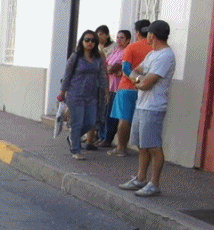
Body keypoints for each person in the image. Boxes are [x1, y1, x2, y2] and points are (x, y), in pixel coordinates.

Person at [118, 20, 176, 197]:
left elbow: (145, 84)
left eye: (148, 33)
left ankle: (154, 183)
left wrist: (137, 80)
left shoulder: (166, 56)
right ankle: (141, 178)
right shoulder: (152, 54)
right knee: (143, 145)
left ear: (153, 35)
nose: (145, 37)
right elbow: (136, 71)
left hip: (153, 107)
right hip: (142, 105)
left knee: (153, 146)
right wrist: (138, 79)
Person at [57, 29, 108, 160]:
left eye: (93, 40)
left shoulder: (98, 58)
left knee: (91, 122)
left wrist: (106, 90)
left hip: (91, 95)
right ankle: (76, 150)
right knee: (77, 123)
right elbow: (67, 75)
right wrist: (62, 92)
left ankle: (73, 137)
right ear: (82, 41)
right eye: (87, 40)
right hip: (75, 94)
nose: (90, 42)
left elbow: (102, 75)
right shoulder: (75, 57)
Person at [107, 19, 152, 157]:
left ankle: (121, 148)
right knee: (140, 119)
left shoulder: (131, 48)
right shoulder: (154, 48)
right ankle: (143, 150)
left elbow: (126, 68)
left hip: (127, 87)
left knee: (124, 119)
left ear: (137, 32)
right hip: (147, 88)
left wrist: (135, 80)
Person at [98, 30, 130, 147]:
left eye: (122, 38)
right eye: (118, 37)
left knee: (112, 116)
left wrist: (111, 69)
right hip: (110, 87)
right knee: (105, 113)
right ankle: (103, 136)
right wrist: (110, 68)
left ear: (128, 40)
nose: (119, 40)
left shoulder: (126, 52)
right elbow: (105, 66)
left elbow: (111, 68)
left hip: (118, 88)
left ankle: (108, 139)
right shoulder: (116, 51)